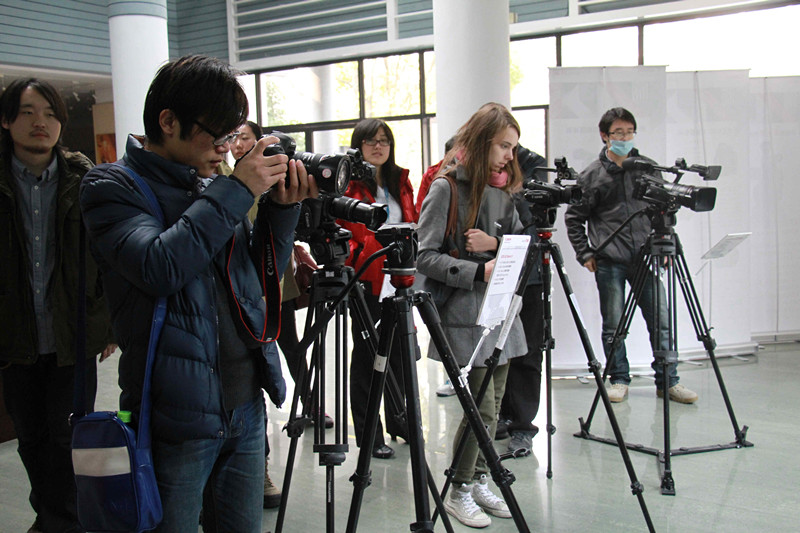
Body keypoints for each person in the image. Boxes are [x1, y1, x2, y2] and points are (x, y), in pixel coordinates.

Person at [79, 55, 318, 533]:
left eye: (234, 135)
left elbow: (256, 277)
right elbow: (160, 267)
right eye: (219, 135)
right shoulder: (111, 185)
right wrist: (237, 189)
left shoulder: (215, 183)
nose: (228, 149)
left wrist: (282, 210)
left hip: (245, 403)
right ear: (168, 121)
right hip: (174, 415)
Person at [0, 78, 116, 533]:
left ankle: (61, 521)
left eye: (50, 114)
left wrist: (108, 324)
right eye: (28, 112)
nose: (40, 123)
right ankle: (53, 517)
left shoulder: (85, 180)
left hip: (73, 332)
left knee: (69, 435)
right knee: (30, 436)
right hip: (14, 335)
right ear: (6, 120)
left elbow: (108, 256)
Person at [417, 102, 527, 529]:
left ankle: (479, 478)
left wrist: (496, 248)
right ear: (482, 142)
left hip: (500, 312)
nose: (509, 157)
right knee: (478, 408)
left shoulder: (503, 191)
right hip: (464, 315)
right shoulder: (446, 188)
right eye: (503, 146)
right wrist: (476, 270)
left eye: (513, 148)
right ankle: (459, 488)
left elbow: (519, 243)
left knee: (493, 408)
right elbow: (424, 256)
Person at [564, 107, 698, 404]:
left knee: (662, 320)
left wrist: (664, 243)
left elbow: (662, 209)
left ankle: (668, 381)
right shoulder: (591, 175)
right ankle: (618, 379)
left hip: (646, 257)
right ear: (604, 136)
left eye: (629, 132)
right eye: (618, 133)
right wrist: (584, 252)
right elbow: (574, 217)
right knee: (614, 325)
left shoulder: (647, 168)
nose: (624, 138)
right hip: (609, 259)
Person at [338, 118, 418, 460]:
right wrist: (366, 254)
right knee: (368, 357)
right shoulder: (349, 183)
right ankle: (370, 433)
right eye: (371, 141)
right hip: (367, 278)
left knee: (399, 353)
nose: (378, 146)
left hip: (399, 276)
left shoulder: (401, 180)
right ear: (359, 146)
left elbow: (412, 220)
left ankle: (399, 420)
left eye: (384, 140)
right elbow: (344, 230)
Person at [498, 145, 547, 457]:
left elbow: (534, 218)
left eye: (509, 144)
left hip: (529, 273)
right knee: (496, 351)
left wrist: (516, 193)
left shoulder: (534, 166)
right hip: (493, 273)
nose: (506, 152)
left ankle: (522, 425)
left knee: (528, 352)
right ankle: (499, 415)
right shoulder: (480, 166)